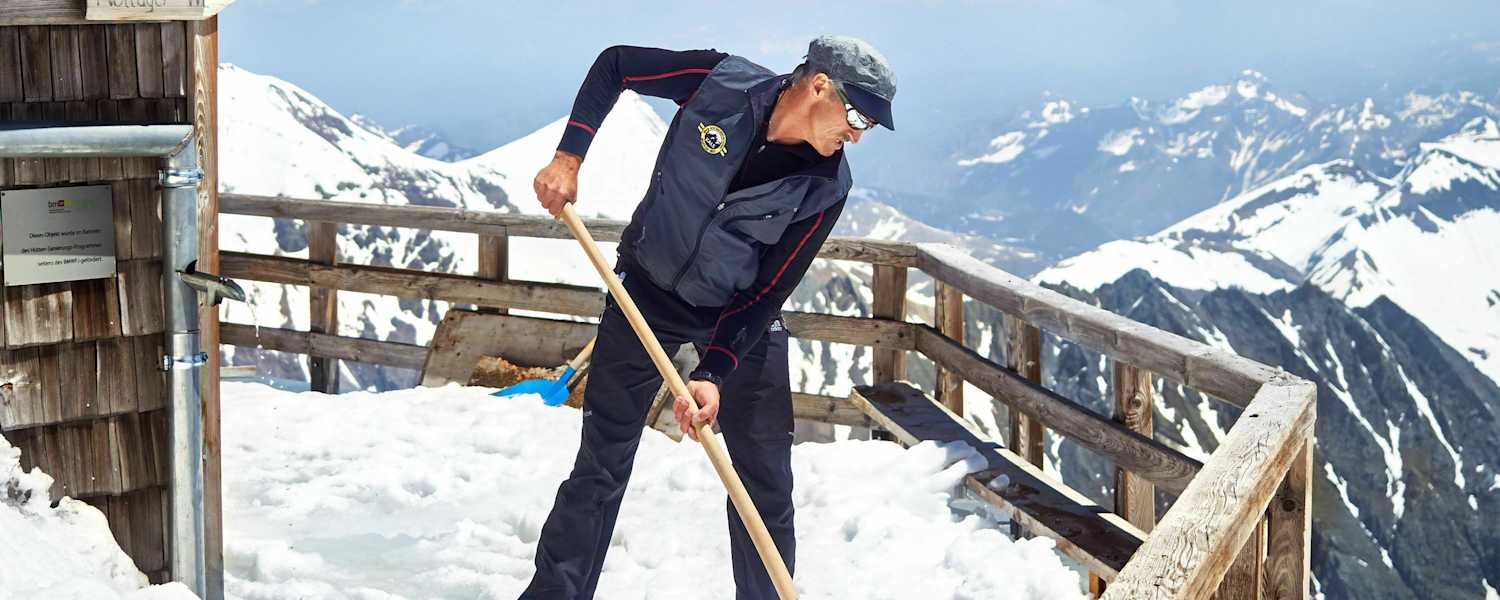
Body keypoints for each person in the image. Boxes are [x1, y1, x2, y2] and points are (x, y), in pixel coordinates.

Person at [522, 35, 897, 600]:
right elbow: (616, 65)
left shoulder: (826, 186)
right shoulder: (719, 83)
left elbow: (770, 290)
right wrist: (568, 157)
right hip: (645, 294)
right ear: (820, 85)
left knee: (763, 482)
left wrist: (713, 372)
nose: (856, 135)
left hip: (740, 319)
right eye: (857, 116)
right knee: (601, 464)